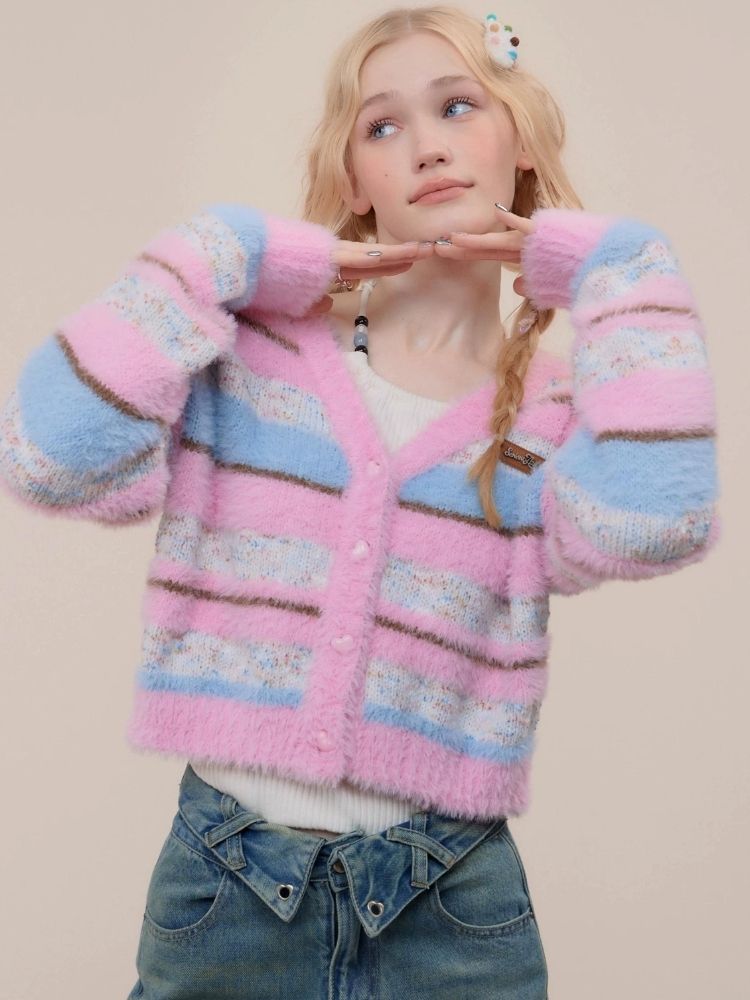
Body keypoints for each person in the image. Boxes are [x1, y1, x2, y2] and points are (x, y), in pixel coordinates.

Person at [0, 5, 721, 998]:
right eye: (383, 126)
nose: (427, 146)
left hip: (452, 905)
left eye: (459, 107)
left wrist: (620, 267)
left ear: (519, 142)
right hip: (225, 892)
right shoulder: (246, 354)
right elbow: (45, 457)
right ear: (353, 181)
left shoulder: (556, 414)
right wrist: (217, 250)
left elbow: (658, 523)